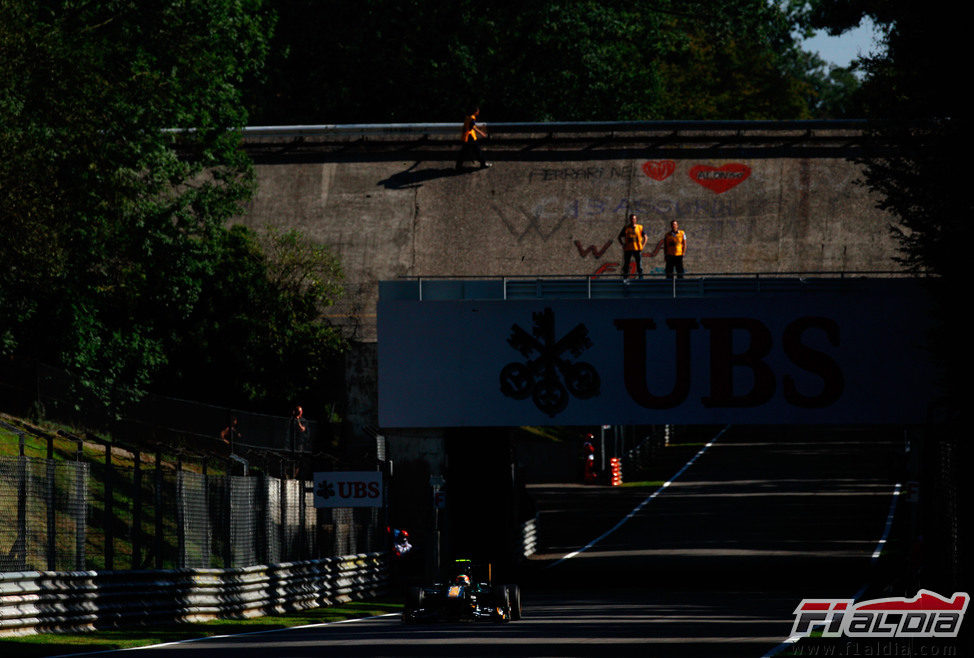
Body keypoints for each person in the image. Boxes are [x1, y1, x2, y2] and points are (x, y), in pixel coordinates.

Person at [617, 213, 647, 281]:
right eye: (631, 219)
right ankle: (625, 277)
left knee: (639, 263)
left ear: (636, 220)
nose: (632, 220)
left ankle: (640, 277)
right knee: (626, 263)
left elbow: (645, 237)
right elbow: (619, 237)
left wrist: (643, 245)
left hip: (637, 248)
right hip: (628, 248)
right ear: (630, 219)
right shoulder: (626, 228)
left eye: (634, 219)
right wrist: (623, 244)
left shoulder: (639, 227)